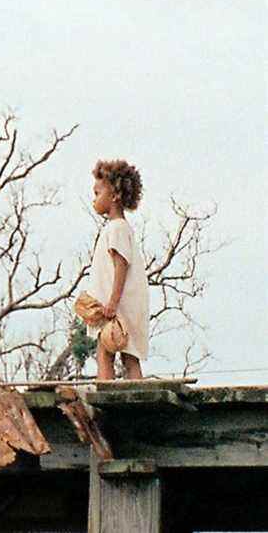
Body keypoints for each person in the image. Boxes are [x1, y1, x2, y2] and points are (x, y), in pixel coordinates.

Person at [88, 159, 149, 380]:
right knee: (124, 354)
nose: (94, 199)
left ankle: (105, 392)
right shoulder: (117, 229)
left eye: (97, 193)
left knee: (108, 352)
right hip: (115, 306)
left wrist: (112, 302)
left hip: (116, 307)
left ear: (114, 196)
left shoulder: (118, 229)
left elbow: (120, 266)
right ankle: (130, 390)